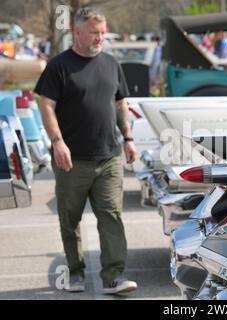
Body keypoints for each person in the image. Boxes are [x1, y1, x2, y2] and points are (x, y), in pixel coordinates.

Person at [34, 7, 138, 295]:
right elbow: (46, 105)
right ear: (77, 32)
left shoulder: (112, 64)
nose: (99, 37)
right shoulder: (59, 66)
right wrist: (57, 142)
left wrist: (128, 138)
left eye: (102, 32)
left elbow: (121, 103)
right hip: (72, 160)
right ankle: (75, 272)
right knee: (70, 220)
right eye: (94, 32)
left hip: (109, 156)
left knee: (111, 216)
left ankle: (113, 277)